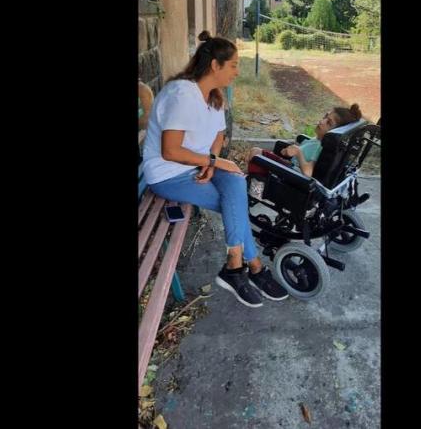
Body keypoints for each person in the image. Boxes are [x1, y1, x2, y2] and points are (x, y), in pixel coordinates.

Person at [141, 31, 289, 308]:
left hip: (195, 165)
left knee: (234, 182)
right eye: (233, 65)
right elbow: (170, 151)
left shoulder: (213, 95)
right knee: (234, 200)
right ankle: (253, 265)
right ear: (214, 65)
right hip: (168, 173)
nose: (236, 72)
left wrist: (210, 160)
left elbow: (218, 134)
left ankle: (235, 266)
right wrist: (214, 162)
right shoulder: (182, 94)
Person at [245, 104, 363, 197]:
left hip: (293, 177)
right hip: (291, 169)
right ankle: (249, 182)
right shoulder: (317, 140)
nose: (322, 122)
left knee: (256, 153)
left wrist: (298, 152)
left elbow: (308, 173)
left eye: (329, 123)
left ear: (335, 134)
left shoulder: (321, 147)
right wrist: (290, 151)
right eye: (325, 117)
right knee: (257, 153)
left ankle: (254, 190)